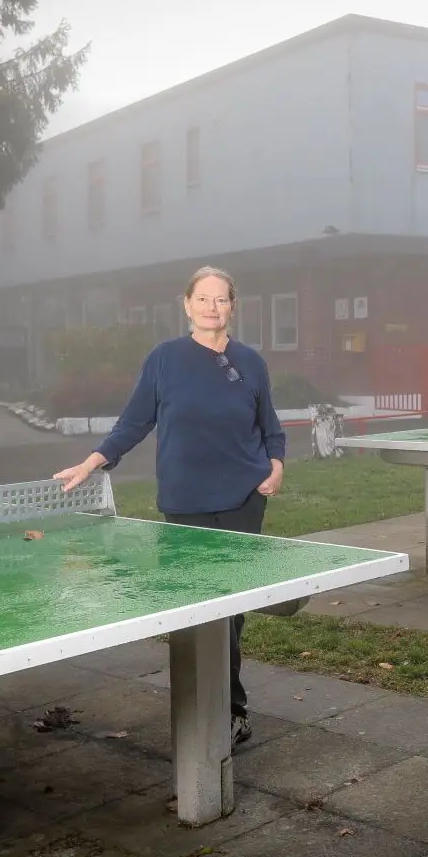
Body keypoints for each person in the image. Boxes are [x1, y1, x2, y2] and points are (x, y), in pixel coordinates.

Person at [54, 265, 286, 747]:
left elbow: (271, 428)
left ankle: (231, 710)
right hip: (186, 502)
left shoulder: (251, 362)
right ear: (187, 305)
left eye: (220, 299)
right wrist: (94, 461)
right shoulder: (165, 359)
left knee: (230, 610)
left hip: (244, 499)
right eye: (202, 299)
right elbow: (134, 421)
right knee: (192, 607)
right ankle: (202, 703)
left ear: (232, 307)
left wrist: (276, 466)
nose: (211, 307)